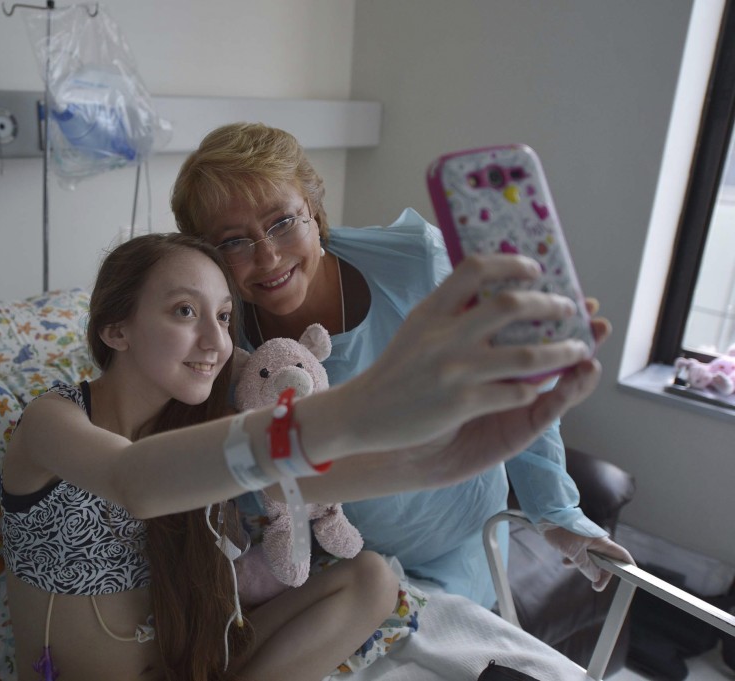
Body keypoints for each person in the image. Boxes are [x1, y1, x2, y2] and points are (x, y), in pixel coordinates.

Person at [1, 232, 602, 680]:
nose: (215, 342)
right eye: (185, 311)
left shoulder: (204, 415)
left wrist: (446, 459)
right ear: (116, 330)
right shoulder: (52, 423)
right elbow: (131, 480)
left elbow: (308, 482)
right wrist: (359, 406)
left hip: (198, 667)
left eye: (224, 315)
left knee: (371, 577)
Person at [171, 121, 632, 608]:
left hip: (457, 540)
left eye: (282, 222)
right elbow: (243, 469)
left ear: (314, 209)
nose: (267, 256)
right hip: (341, 562)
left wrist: (557, 513)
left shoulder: (418, 266)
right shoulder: (218, 338)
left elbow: (516, 379)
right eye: (233, 241)